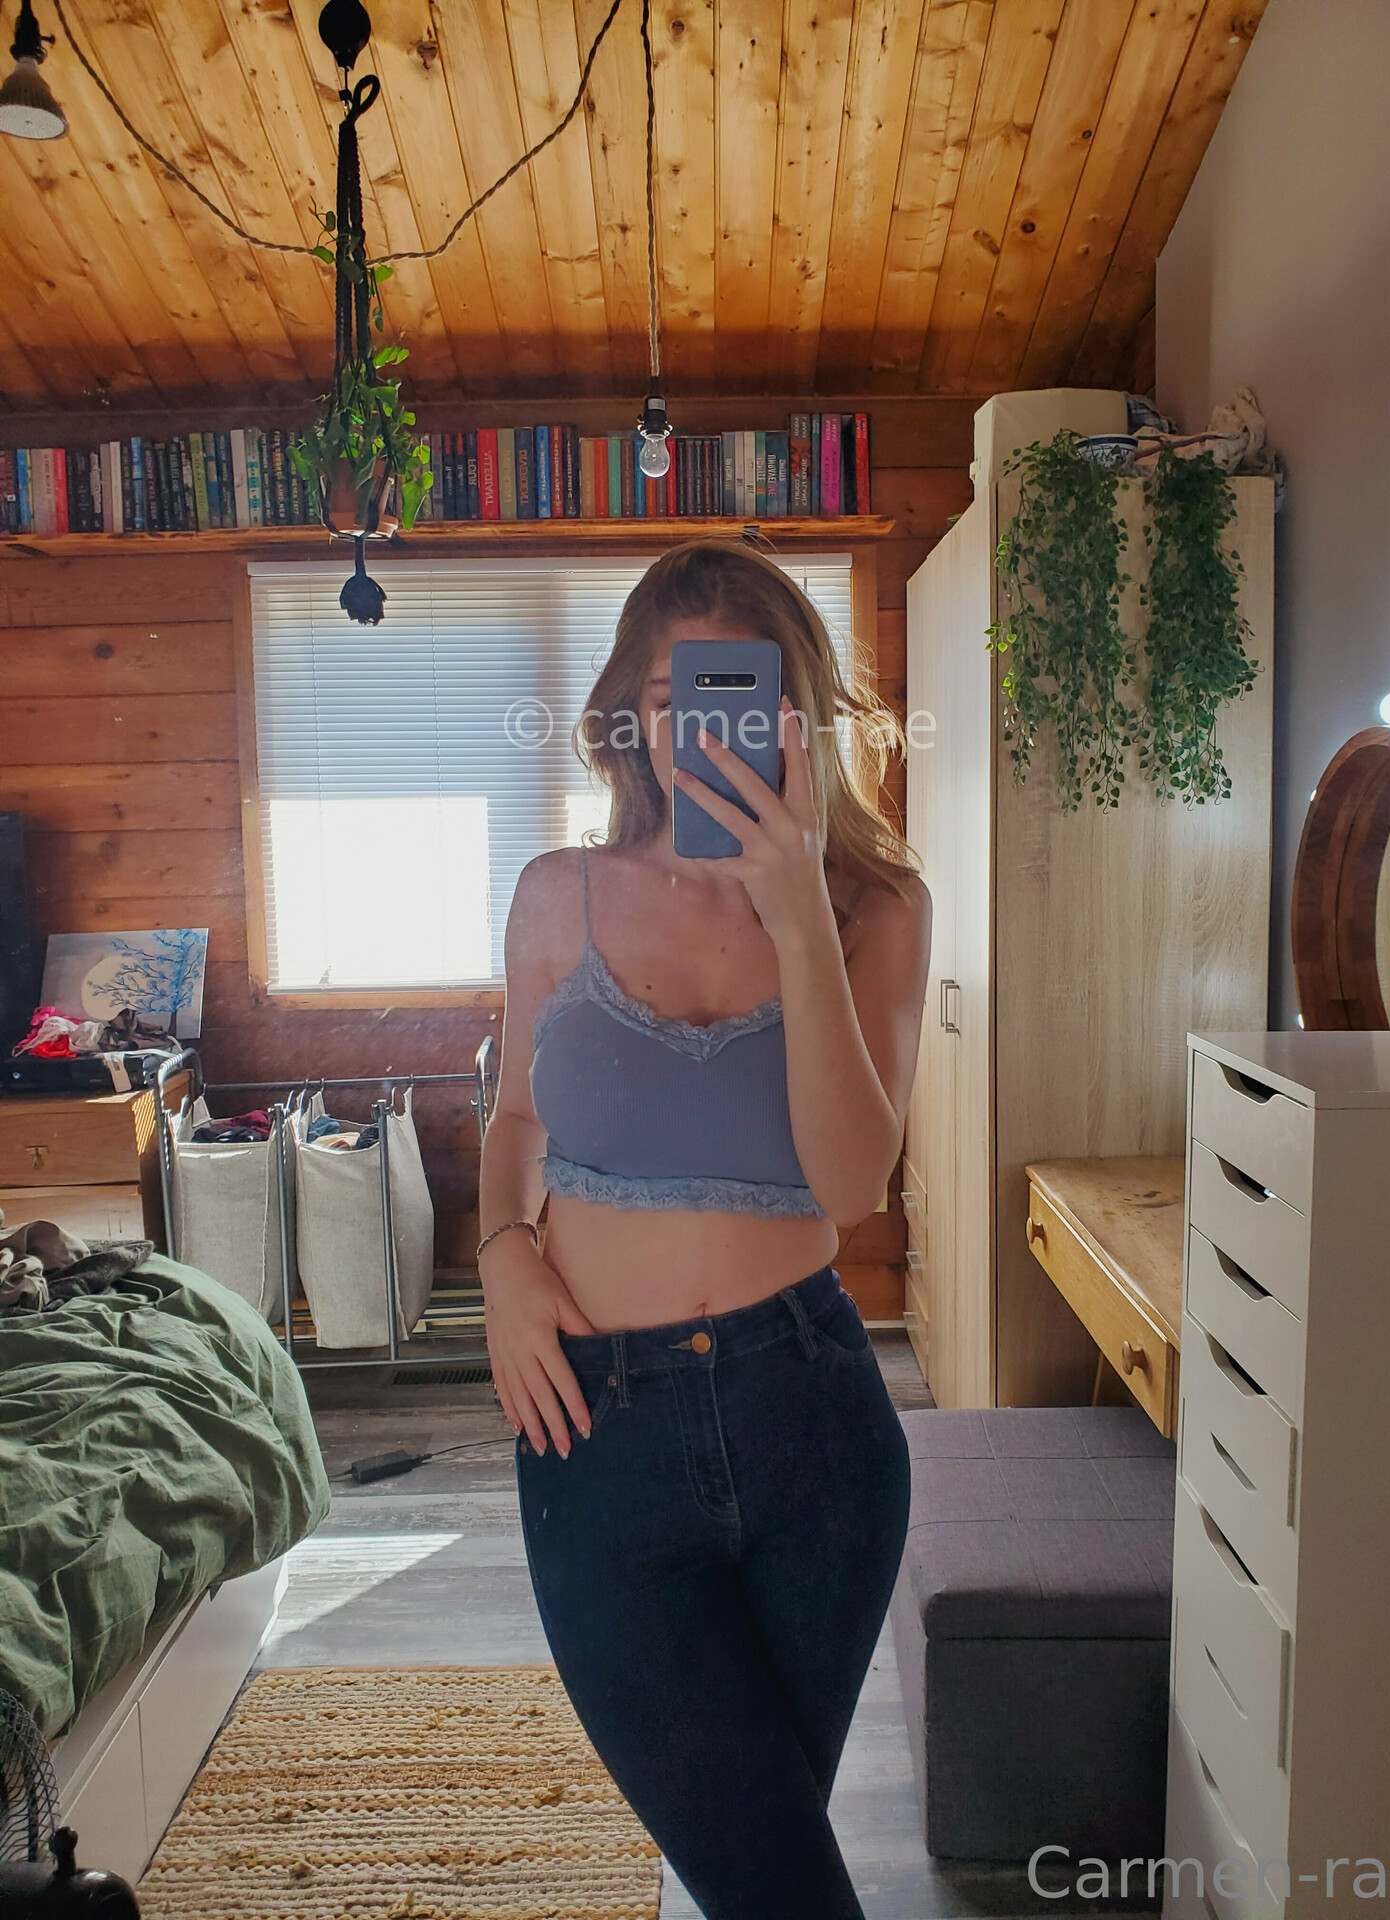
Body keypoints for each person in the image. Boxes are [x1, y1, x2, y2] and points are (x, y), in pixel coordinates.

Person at [478, 540, 931, 1919]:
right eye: (672, 699)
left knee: (761, 1872)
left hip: (814, 1426)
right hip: (595, 1430)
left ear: (795, 709)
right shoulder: (556, 895)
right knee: (768, 1874)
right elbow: (515, 1118)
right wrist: (501, 1256)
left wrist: (798, 924)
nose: (703, 730)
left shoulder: (876, 909)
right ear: (630, 715)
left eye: (737, 692)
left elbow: (851, 1186)